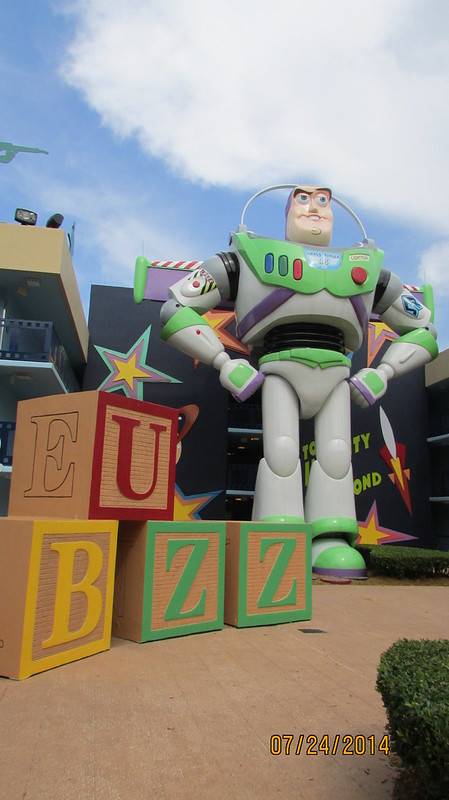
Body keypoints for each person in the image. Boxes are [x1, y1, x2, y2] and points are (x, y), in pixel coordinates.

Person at [156, 184, 438, 577]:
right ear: (287, 210)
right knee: (282, 452)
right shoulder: (245, 257)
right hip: (280, 368)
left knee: (336, 456)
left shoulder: (370, 270)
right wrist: (222, 361)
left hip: (336, 371)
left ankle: (330, 539)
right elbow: (176, 309)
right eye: (302, 199)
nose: (314, 207)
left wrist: (384, 371)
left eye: (323, 200)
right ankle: (279, 537)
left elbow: (424, 330)